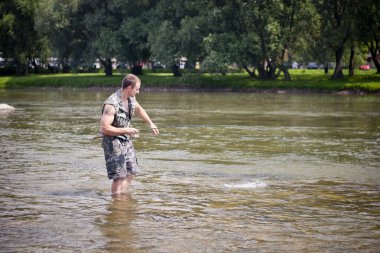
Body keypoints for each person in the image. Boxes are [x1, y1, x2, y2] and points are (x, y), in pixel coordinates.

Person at [100, 74, 159, 195]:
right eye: (137, 89)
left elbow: (138, 109)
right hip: (113, 143)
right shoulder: (111, 105)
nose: (138, 91)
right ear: (129, 88)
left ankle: (121, 197)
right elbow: (104, 128)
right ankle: (117, 203)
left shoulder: (131, 98)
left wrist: (151, 123)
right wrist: (127, 130)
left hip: (126, 140)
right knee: (119, 176)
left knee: (131, 172)